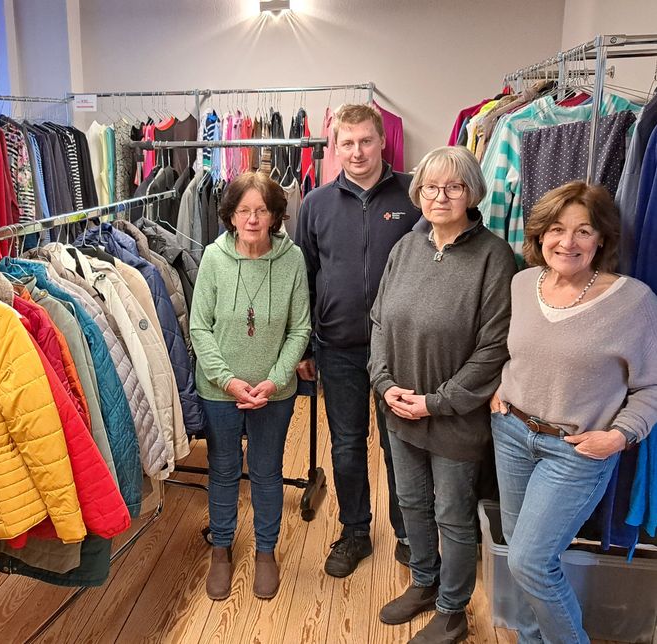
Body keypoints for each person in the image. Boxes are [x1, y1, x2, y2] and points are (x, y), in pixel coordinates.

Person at [490, 181, 657, 644]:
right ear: (540, 234)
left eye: (583, 230)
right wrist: (500, 388)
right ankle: (530, 639)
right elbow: (521, 353)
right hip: (511, 432)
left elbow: (651, 385)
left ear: (601, 238)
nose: (568, 241)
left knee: (531, 561)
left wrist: (620, 435)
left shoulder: (633, 300)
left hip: (576, 451)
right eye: (557, 229)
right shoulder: (523, 283)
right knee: (518, 554)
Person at [369, 146, 516, 643]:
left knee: (452, 515)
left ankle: (453, 610)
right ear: (418, 192)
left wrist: (437, 402)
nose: (440, 196)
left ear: (472, 193)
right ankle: (424, 583)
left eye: (454, 187)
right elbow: (378, 322)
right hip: (398, 406)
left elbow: (495, 347)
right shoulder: (405, 247)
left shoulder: (494, 256)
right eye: (430, 187)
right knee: (411, 502)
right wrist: (384, 383)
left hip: (454, 416)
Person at [294, 103, 421, 577]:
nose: (357, 151)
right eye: (347, 143)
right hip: (338, 346)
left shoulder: (414, 195)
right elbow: (305, 277)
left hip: (399, 349)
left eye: (366, 140)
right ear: (335, 147)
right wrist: (306, 346)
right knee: (347, 445)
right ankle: (354, 532)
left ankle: (408, 532)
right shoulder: (315, 204)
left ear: (382, 140)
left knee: (399, 443)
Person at [191, 171, 310, 601]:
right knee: (223, 469)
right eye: (244, 210)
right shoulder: (213, 257)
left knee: (266, 470)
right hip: (219, 390)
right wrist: (228, 380)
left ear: (276, 216)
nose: (253, 219)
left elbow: (300, 328)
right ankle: (220, 550)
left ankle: (265, 551)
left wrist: (275, 380)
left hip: (273, 393)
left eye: (261, 210)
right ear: (231, 215)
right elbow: (199, 327)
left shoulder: (292, 260)